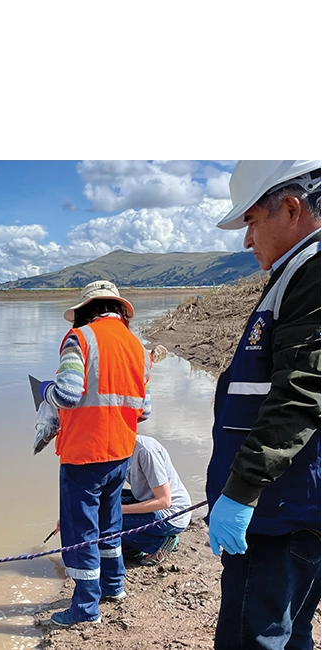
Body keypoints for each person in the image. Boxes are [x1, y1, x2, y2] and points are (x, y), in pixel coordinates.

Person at [205, 160, 322, 650]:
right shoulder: (297, 273)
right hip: (291, 502)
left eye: (251, 221)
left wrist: (243, 489)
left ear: (291, 208)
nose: (247, 240)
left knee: (253, 640)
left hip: (278, 509)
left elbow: (299, 392)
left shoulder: (313, 273)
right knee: (287, 632)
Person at [38, 280, 150, 626]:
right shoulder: (138, 347)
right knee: (109, 523)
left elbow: (69, 394)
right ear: (119, 311)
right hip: (120, 452)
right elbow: (143, 410)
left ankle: (86, 609)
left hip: (84, 454)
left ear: (86, 310)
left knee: (80, 531)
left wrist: (45, 392)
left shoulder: (80, 339)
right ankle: (114, 586)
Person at [120, 435, 191, 566]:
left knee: (109, 519)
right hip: (146, 500)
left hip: (171, 514)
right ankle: (133, 548)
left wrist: (120, 510)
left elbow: (164, 501)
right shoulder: (117, 450)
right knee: (103, 504)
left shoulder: (146, 451)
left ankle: (158, 544)